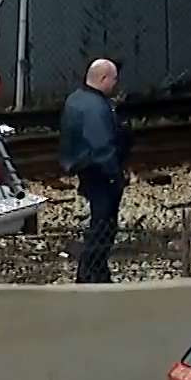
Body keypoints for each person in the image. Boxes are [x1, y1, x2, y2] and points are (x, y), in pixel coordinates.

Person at [58, 58, 130, 283]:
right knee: (103, 225)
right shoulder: (96, 108)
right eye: (114, 79)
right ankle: (91, 273)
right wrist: (115, 175)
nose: (116, 84)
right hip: (100, 173)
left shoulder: (76, 99)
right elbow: (102, 145)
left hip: (85, 169)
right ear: (103, 78)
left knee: (100, 223)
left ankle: (95, 272)